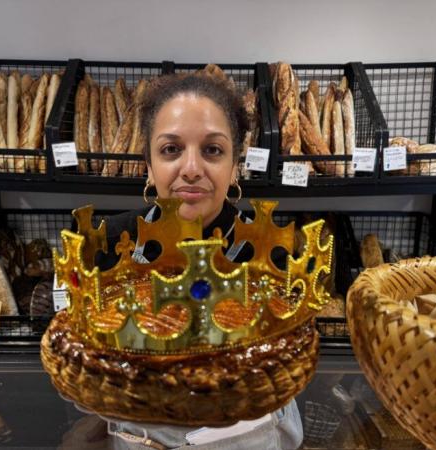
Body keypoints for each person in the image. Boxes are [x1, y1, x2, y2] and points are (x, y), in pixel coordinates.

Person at [96, 73, 303, 450]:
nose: (191, 168)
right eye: (171, 150)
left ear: (235, 163)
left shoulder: (271, 254)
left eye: (212, 150)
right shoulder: (112, 244)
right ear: (148, 163)